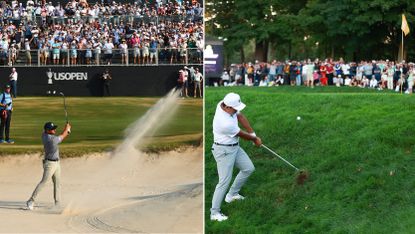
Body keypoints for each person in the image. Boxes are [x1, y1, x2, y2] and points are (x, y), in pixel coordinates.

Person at [210, 93, 262, 222]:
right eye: (234, 108)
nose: (236, 110)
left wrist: (253, 134)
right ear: (227, 107)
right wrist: (255, 139)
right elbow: (241, 134)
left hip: (234, 147)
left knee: (248, 168)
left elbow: (240, 115)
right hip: (223, 150)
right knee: (224, 181)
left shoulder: (223, 103)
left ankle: (232, 194)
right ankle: (214, 213)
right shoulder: (225, 123)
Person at [26, 122, 71, 210]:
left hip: (57, 163)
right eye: (52, 129)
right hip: (50, 164)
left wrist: (67, 131)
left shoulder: (44, 135)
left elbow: (62, 135)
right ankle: (31, 200)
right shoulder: (52, 139)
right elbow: (63, 135)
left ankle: (57, 203)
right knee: (43, 182)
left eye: (54, 128)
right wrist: (67, 129)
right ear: (47, 130)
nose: (54, 129)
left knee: (57, 183)